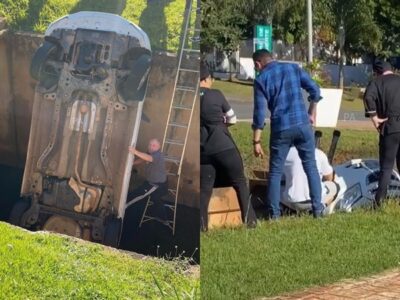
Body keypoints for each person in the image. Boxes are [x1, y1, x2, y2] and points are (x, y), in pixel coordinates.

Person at [252, 49, 325, 219]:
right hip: (303, 124)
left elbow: (260, 114)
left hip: (281, 128)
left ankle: (274, 215)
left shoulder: (261, 80)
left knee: (275, 172)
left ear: (258, 64)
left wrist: (256, 141)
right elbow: (315, 90)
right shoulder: (293, 69)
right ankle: (318, 211)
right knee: (311, 167)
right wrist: (311, 110)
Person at [200, 62, 257, 231]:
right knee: (239, 182)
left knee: (203, 190)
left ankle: (202, 228)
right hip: (223, 146)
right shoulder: (216, 94)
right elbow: (232, 118)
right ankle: (251, 222)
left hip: (202, 151)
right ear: (206, 78)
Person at [363, 59, 400, 208]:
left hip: (390, 127)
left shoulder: (377, 82)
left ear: (377, 72)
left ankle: (379, 202)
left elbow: (368, 97)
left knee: (386, 167)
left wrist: (374, 117)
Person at [281, 147, 336, 213]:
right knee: (334, 186)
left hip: (291, 202)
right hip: (316, 202)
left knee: (278, 187)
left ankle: (281, 208)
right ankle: (323, 207)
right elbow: (329, 178)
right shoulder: (319, 153)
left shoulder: (285, 153)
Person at [126, 138, 168, 223]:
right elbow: (143, 158)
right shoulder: (151, 153)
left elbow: (149, 158)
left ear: (159, 147)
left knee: (136, 195)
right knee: (156, 200)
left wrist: (135, 152)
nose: (151, 147)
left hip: (156, 184)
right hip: (152, 181)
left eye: (154, 145)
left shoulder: (158, 155)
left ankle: (122, 207)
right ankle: (163, 219)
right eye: (150, 145)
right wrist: (132, 163)